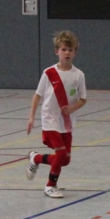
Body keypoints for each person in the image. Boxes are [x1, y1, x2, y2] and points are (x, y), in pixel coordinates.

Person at [25, 30, 87, 198]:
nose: (67, 53)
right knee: (60, 154)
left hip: (66, 122)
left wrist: (72, 109)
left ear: (75, 52)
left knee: (65, 160)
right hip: (50, 119)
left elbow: (83, 99)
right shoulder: (49, 73)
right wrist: (31, 117)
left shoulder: (79, 75)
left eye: (70, 50)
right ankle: (50, 185)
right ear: (56, 51)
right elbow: (37, 95)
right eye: (64, 49)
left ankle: (36, 158)